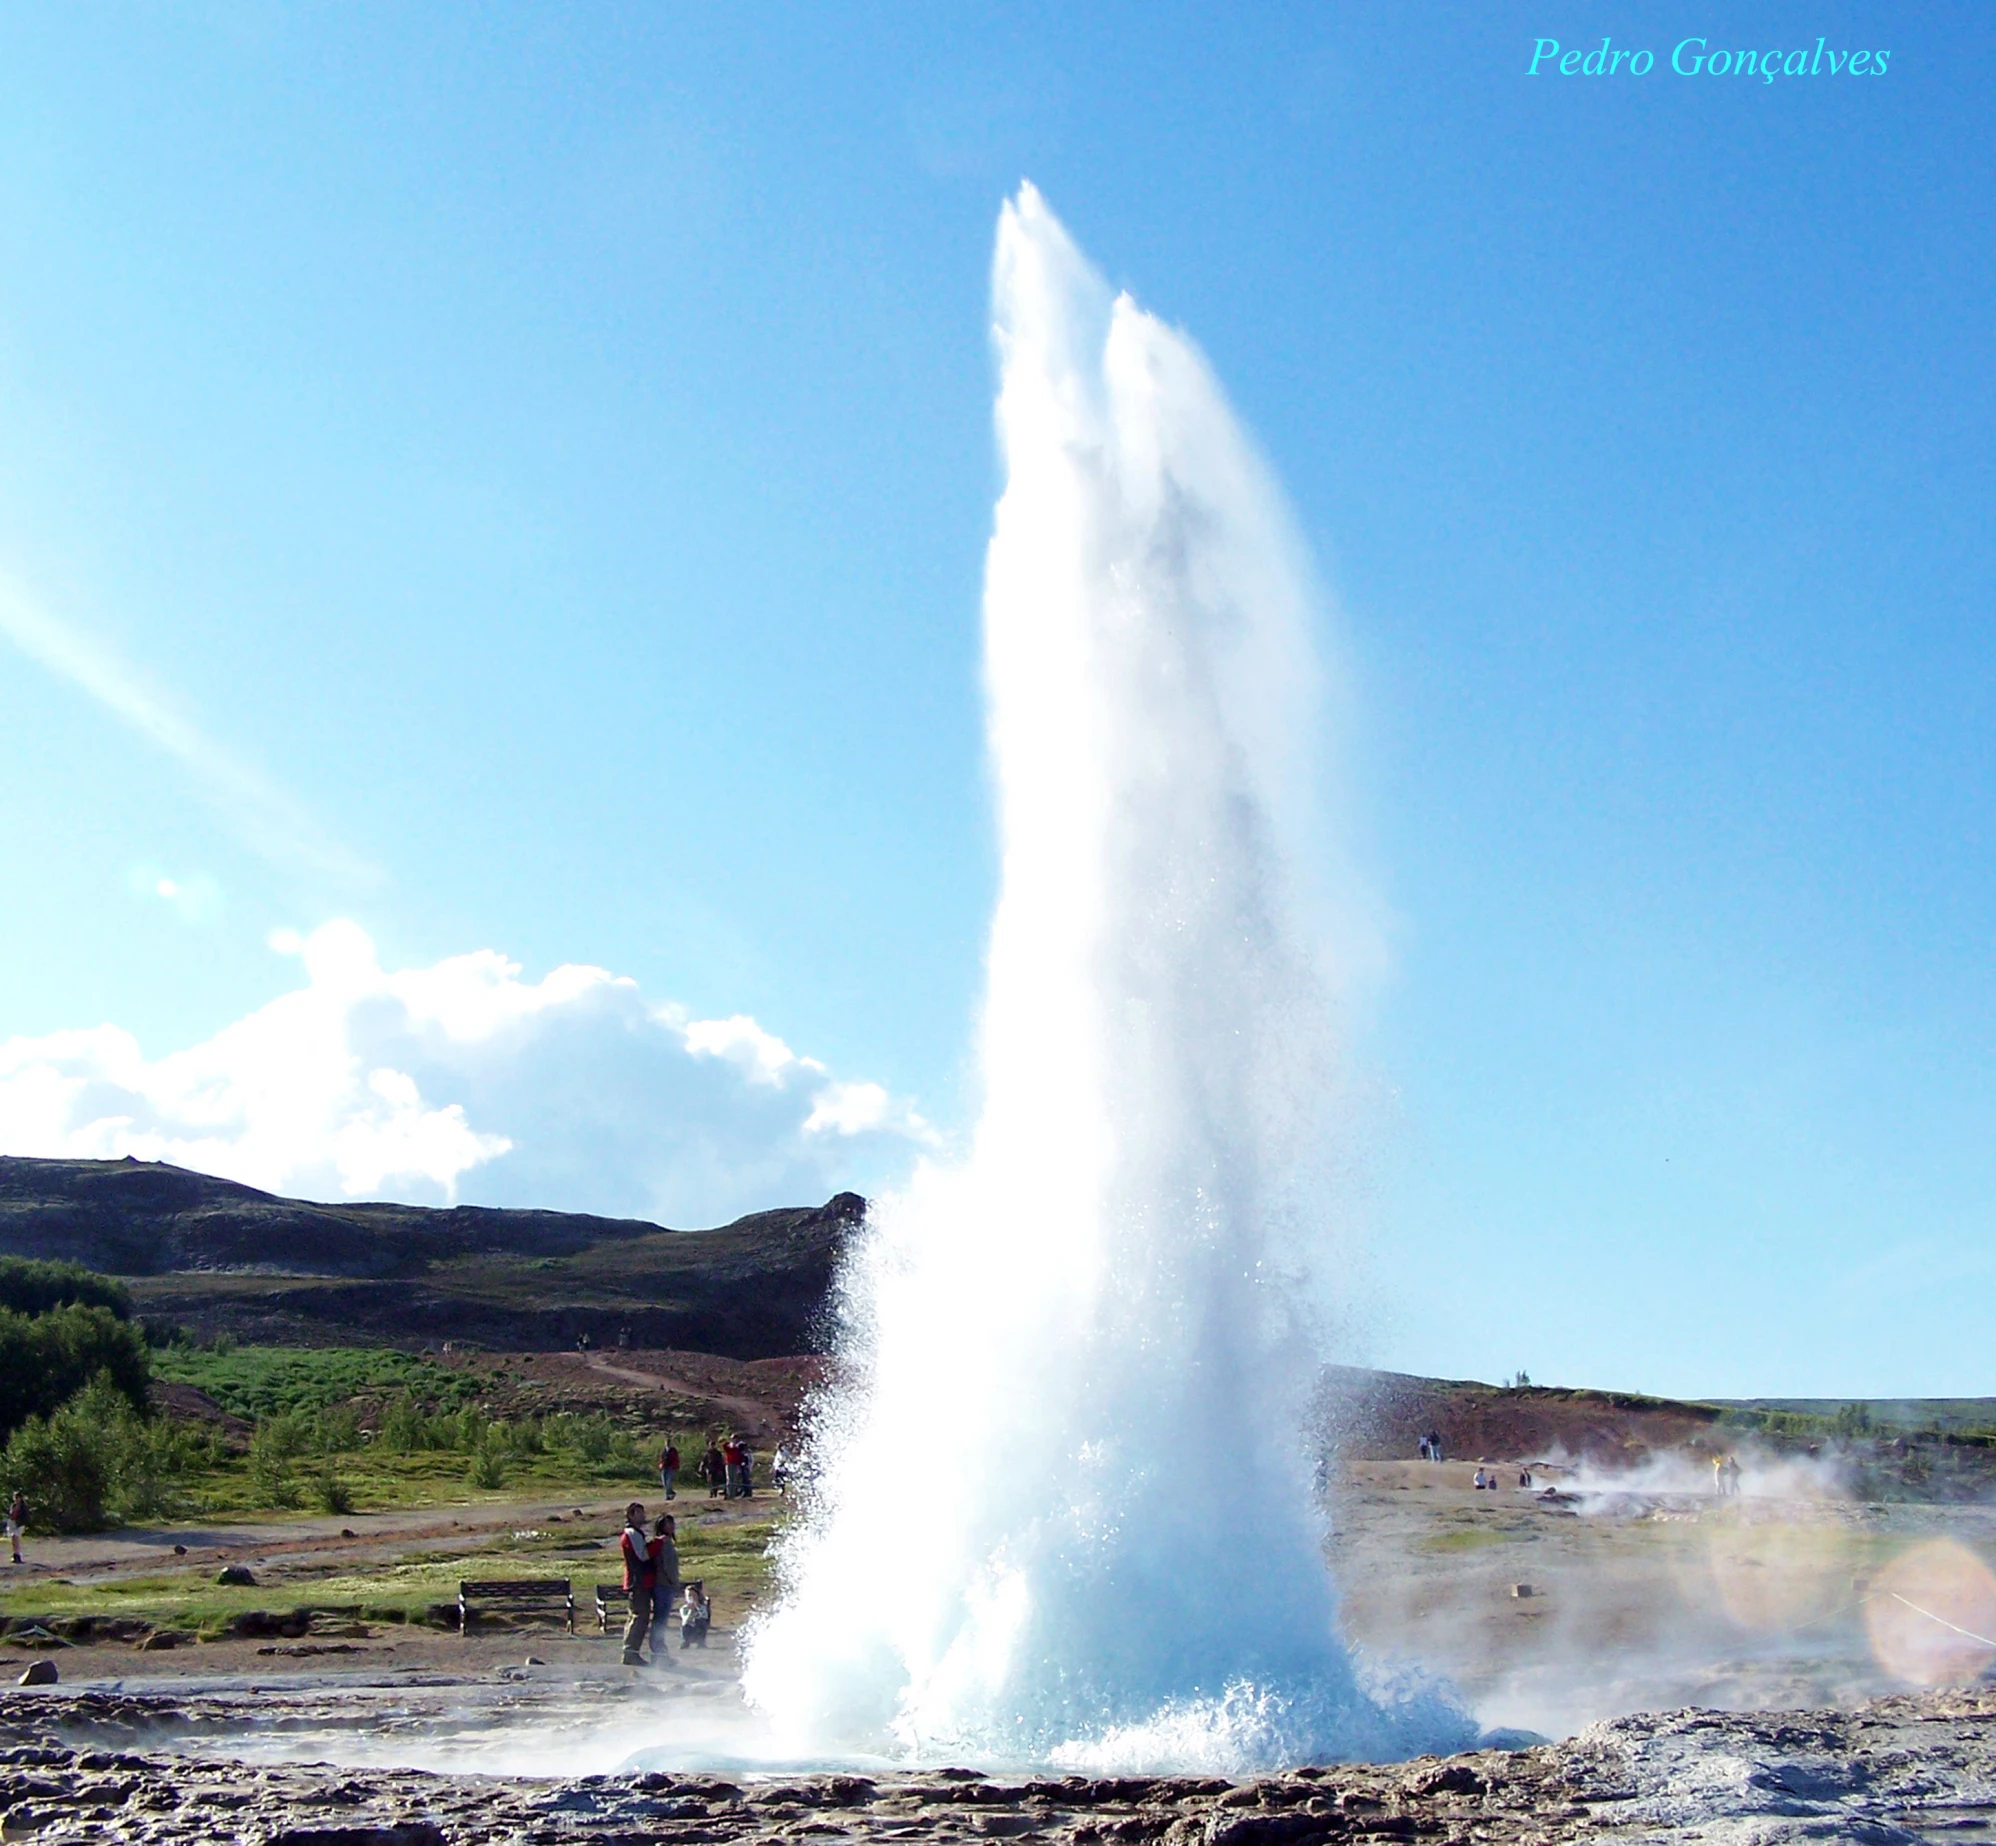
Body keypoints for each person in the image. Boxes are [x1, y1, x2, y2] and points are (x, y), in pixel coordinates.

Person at [618, 1502, 655, 1666]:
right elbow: (643, 1555)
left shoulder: (634, 1533)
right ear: (632, 1515)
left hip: (637, 1580)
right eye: (640, 1513)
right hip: (638, 1580)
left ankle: (630, 1651)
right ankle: (630, 1652)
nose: (643, 1515)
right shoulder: (632, 1533)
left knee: (636, 1616)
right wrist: (657, 1544)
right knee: (640, 1616)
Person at [647, 1514, 681, 1660]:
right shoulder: (664, 1543)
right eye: (668, 1524)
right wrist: (675, 1583)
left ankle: (659, 1650)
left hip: (663, 1584)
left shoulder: (666, 1542)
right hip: (663, 1585)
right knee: (660, 1620)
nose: (672, 1526)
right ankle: (658, 1651)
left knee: (661, 1619)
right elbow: (668, 1567)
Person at [679, 1581, 711, 1649]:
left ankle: (701, 1642)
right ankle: (685, 1642)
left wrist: (697, 1607)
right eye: (689, 1596)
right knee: (685, 1625)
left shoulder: (703, 1607)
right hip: (689, 1631)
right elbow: (685, 1620)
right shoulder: (684, 1608)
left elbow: (704, 1617)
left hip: (699, 1630)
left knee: (701, 1621)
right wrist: (691, 1611)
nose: (691, 1598)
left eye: (693, 1596)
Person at [6, 1491, 24, 1564]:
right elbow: (11, 1514)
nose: (16, 1499)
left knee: (16, 1538)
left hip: (19, 1524)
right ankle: (15, 1554)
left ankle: (18, 1554)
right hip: (12, 1523)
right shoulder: (13, 1505)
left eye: (17, 1497)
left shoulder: (23, 1506)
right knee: (13, 1539)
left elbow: (25, 1516)